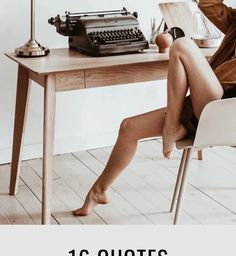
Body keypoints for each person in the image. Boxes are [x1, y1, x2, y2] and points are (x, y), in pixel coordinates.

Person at [73, 0, 236, 217]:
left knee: (182, 45)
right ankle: (98, 192)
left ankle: (172, 126)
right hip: (201, 112)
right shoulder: (234, 22)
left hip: (221, 114)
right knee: (129, 127)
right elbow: (209, 3)